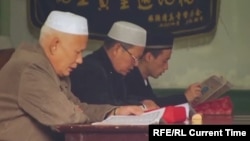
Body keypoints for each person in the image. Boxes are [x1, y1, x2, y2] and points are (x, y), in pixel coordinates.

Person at [0, 11, 144, 141]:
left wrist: (115, 111)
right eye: (77, 52)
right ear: (54, 45)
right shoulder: (32, 67)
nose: (80, 60)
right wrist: (73, 111)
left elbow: (78, 107)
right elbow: (66, 117)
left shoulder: (53, 69)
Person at [70, 21, 147, 106]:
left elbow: (122, 99)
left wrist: (142, 102)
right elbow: (103, 107)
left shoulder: (115, 69)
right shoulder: (90, 70)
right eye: (134, 58)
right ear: (117, 49)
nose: (136, 64)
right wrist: (140, 105)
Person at [124, 32, 202, 110]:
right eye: (164, 61)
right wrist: (185, 97)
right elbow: (152, 105)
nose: (166, 67)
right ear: (149, 57)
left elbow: (154, 102)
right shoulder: (128, 78)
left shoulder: (142, 79)